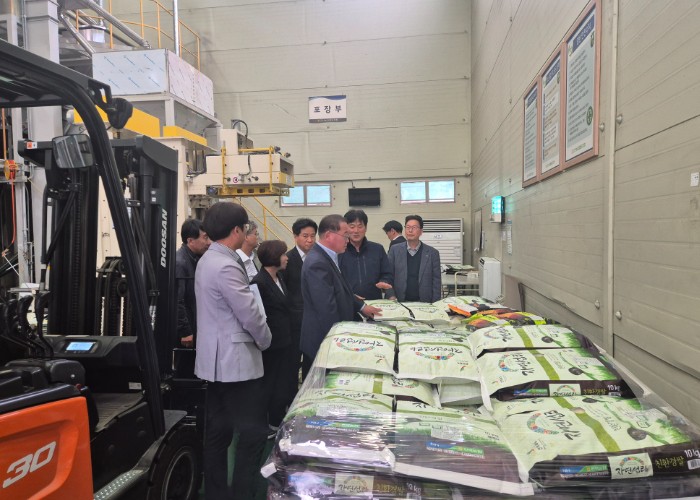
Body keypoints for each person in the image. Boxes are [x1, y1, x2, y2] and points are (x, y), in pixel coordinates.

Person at [195, 202, 272, 500]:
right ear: (237, 230)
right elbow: (249, 314)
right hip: (236, 365)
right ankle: (243, 493)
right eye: (247, 228)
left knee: (218, 434)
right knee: (253, 434)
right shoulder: (227, 265)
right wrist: (265, 340)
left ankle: (217, 493)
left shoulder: (208, 259)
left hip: (216, 364)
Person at [300, 214, 381, 377]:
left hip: (331, 338)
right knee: (322, 386)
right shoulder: (317, 263)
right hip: (324, 341)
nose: (348, 240)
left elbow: (342, 290)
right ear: (329, 235)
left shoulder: (329, 257)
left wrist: (362, 307)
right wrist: (344, 340)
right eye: (345, 235)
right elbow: (326, 309)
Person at [251, 240, 291, 435]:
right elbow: (258, 316)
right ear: (274, 257)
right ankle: (264, 424)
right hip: (271, 343)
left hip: (284, 340)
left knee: (281, 382)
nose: (286, 258)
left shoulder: (279, 277)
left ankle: (276, 419)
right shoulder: (259, 282)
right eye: (283, 254)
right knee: (269, 384)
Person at [279, 217, 317, 402]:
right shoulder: (287, 259)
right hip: (294, 324)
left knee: (312, 364)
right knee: (291, 366)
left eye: (312, 236)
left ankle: (309, 400)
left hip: (315, 322)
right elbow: (284, 292)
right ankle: (291, 402)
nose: (309, 240)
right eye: (305, 236)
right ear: (295, 236)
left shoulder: (319, 258)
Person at [339, 209, 394, 300]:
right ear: (346, 229)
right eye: (352, 226)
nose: (356, 231)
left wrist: (384, 281)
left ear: (366, 228)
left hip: (374, 302)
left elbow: (387, 273)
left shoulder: (377, 249)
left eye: (360, 226)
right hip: (348, 302)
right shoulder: (339, 251)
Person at [387, 215, 442, 302]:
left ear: (421, 231)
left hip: (424, 303)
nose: (410, 230)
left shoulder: (432, 253)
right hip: (399, 301)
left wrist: (436, 303)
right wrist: (391, 296)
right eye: (408, 227)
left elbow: (436, 282)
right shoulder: (395, 250)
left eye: (414, 227)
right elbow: (388, 275)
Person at [176, 219, 210, 347]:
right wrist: (185, 331)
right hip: (187, 333)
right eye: (205, 238)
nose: (208, 242)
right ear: (190, 241)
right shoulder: (180, 263)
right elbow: (178, 300)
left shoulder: (197, 259)